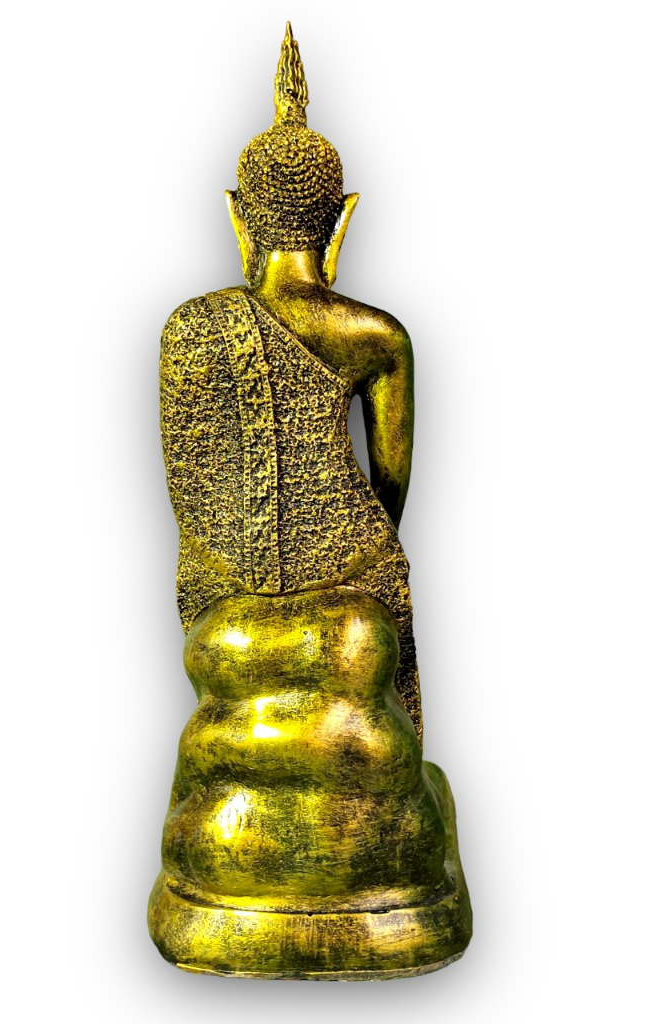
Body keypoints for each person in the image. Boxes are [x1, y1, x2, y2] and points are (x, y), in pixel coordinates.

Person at [159, 23, 423, 738]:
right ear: (342, 219)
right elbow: (388, 500)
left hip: (231, 616)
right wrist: (336, 564)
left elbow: (194, 512)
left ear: (238, 218)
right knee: (367, 647)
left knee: (226, 658)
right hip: (349, 598)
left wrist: (251, 576)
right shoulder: (378, 338)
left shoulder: (189, 328)